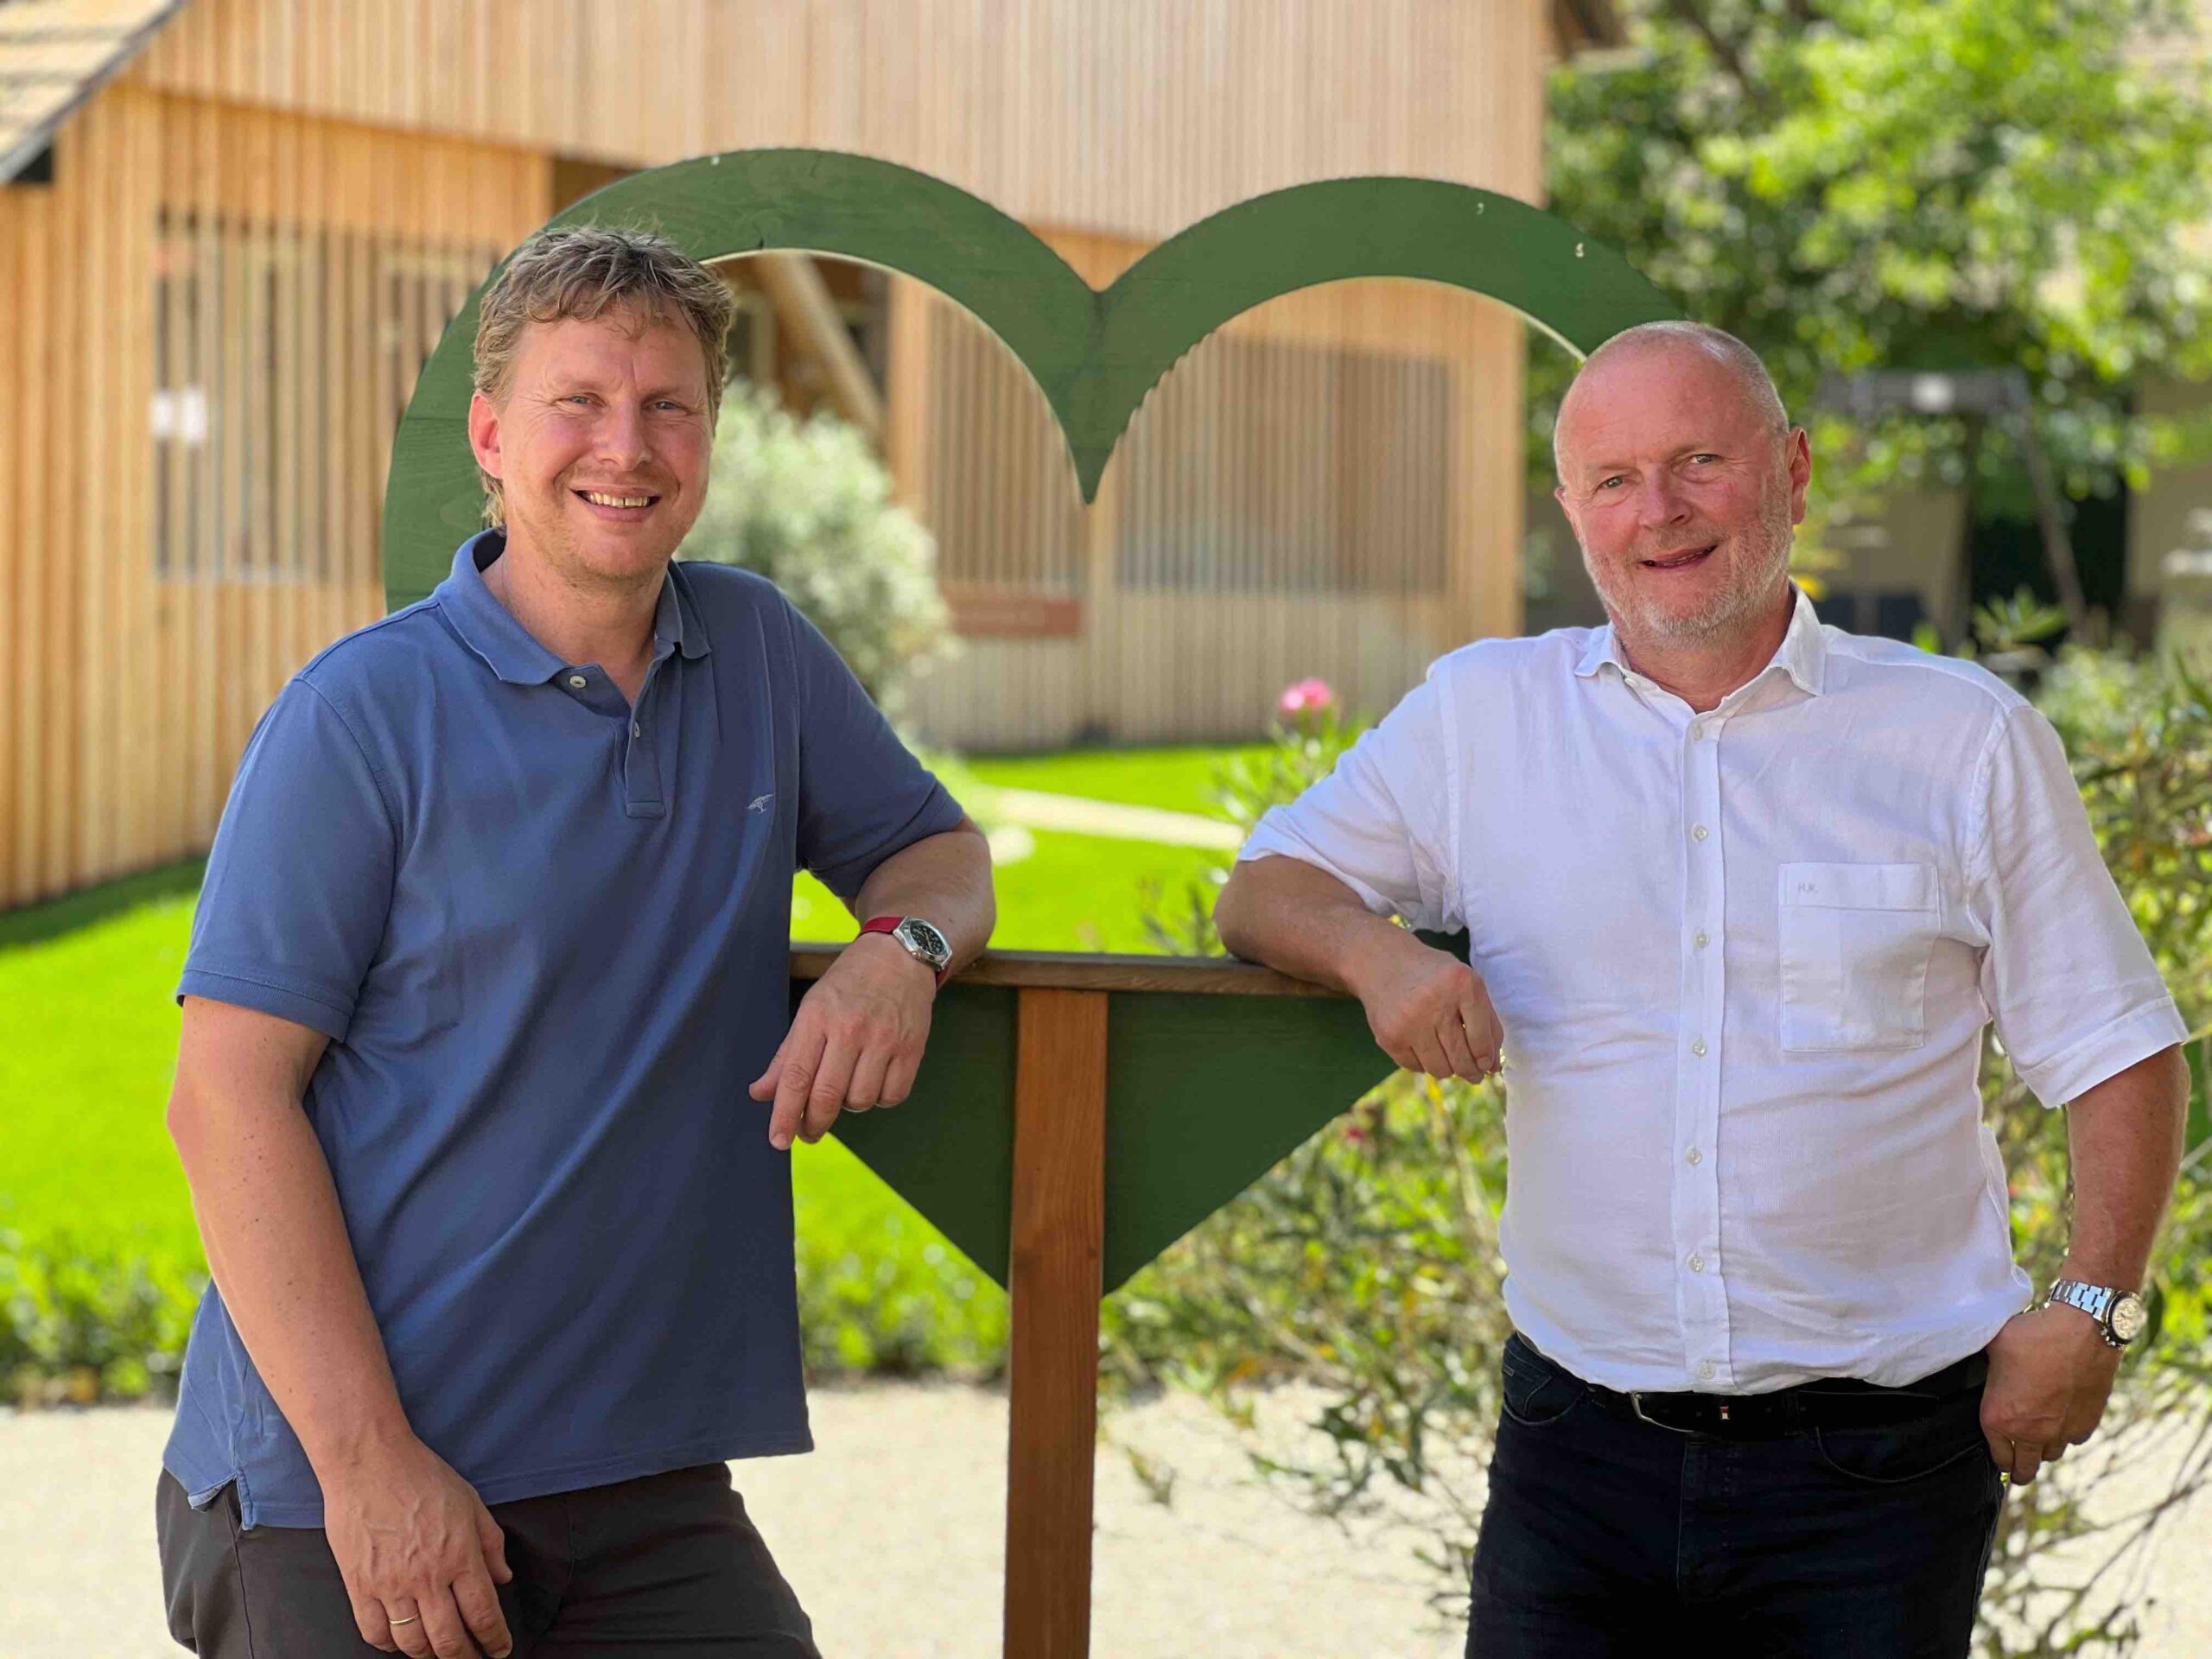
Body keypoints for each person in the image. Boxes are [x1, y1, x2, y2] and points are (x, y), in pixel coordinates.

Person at [1215, 320, 2189, 1656]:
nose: (1657, 512)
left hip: (1877, 1477)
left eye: (1697, 462)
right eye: (1611, 479)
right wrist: (1379, 954)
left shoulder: (1960, 740)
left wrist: (2088, 1310)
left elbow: (2117, 1047)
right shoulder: (1485, 718)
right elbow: (1265, 884)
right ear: (1570, 511)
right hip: (1575, 1458)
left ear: (1791, 472)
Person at [156, 226, 994, 1657]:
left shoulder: (760, 651)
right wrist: (370, 1472)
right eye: (579, 403)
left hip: (644, 1481)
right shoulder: (359, 716)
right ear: (491, 435)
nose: (628, 444)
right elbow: (222, 1098)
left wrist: (896, 951)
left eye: (670, 404)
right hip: (344, 1478)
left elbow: (939, 854)